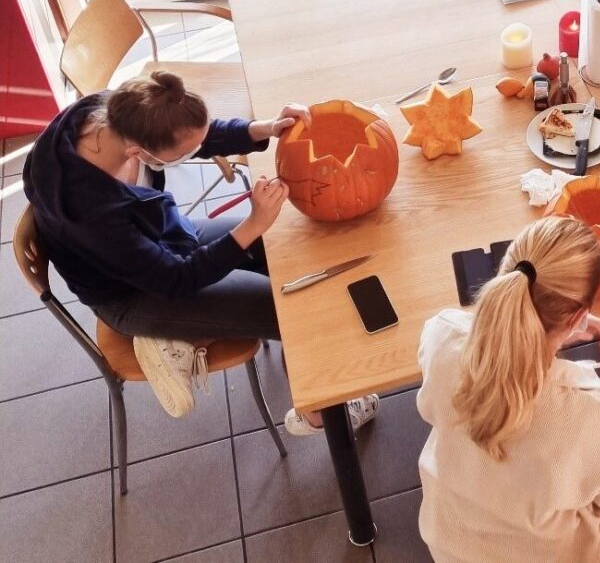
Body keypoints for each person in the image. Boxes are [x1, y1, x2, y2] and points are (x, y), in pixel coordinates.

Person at [23, 71, 378, 432]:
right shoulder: (88, 212)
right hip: (137, 292)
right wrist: (253, 223)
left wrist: (265, 128)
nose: (194, 153)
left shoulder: (115, 111)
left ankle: (198, 334)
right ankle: (317, 415)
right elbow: (177, 279)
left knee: (286, 250)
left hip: (161, 240)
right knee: (291, 314)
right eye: (184, 154)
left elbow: (193, 135)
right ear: (138, 152)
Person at [416, 216, 600, 562]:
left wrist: (551, 331)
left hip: (452, 543)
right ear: (576, 317)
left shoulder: (443, 337)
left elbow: (458, 339)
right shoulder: (590, 419)